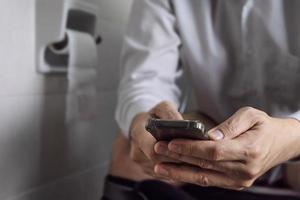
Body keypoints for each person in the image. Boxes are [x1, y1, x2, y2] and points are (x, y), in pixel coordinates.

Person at [103, 0, 300, 199]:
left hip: (293, 146)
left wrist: (289, 138)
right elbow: (145, 78)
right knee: (132, 146)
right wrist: (142, 120)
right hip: (214, 129)